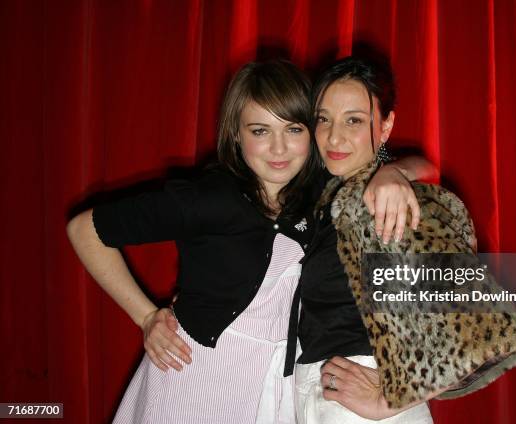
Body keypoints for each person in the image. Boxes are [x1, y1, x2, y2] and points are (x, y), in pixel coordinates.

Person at [66, 59, 430, 424]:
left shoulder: (333, 194)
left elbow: (480, 310)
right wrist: (146, 316)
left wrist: (396, 172)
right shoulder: (208, 197)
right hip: (194, 377)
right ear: (236, 133)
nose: (278, 149)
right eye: (259, 131)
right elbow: (84, 229)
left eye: (293, 129)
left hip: (281, 392)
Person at [290, 56, 516, 423]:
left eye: (354, 120)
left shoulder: (395, 206)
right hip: (315, 397)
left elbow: (487, 331)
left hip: (360, 407)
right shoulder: (329, 200)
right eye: (323, 119)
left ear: (386, 126)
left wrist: (388, 402)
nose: (333, 136)